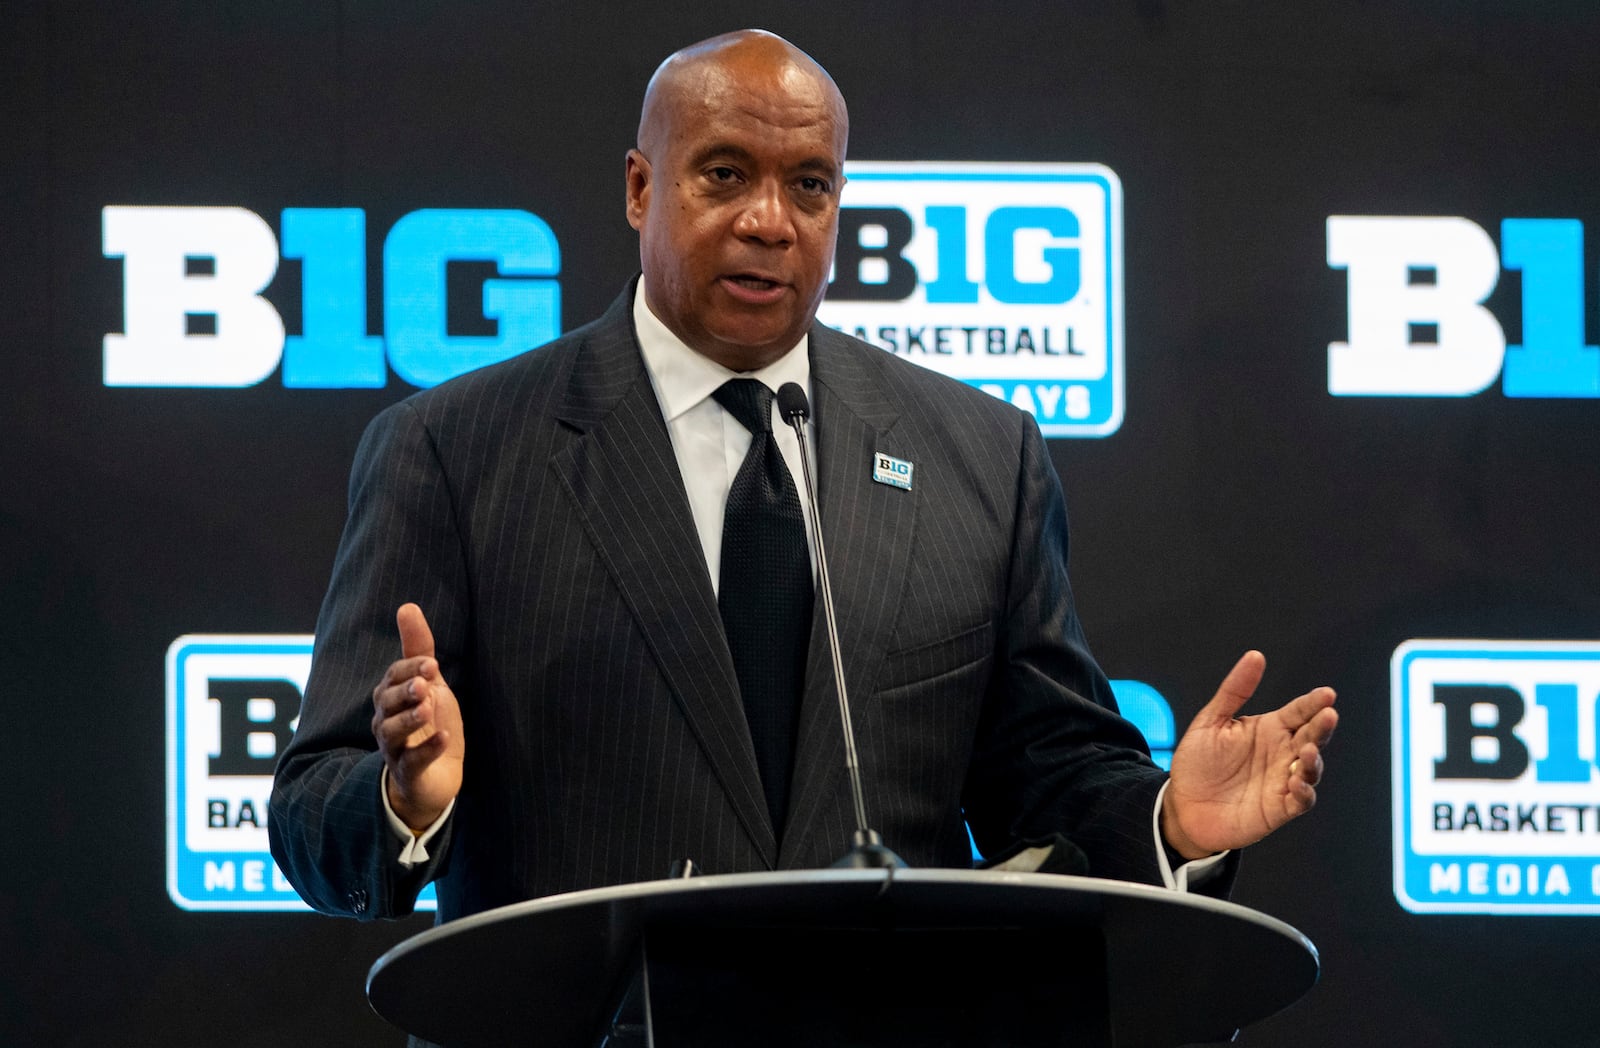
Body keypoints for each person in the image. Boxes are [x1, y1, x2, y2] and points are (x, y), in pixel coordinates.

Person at [269, 29, 1337, 924]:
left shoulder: (982, 455)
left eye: (808, 185)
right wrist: (409, 800)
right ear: (641, 188)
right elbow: (314, 809)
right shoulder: (454, 449)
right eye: (723, 173)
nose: (768, 220)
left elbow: (1048, 779)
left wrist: (1170, 825)